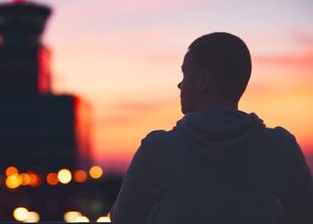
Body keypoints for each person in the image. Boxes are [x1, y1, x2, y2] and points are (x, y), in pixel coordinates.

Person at [110, 32, 313, 224]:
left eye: (184, 73)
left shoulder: (156, 149)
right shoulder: (280, 147)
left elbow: (124, 219)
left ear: (202, 80)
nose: (180, 85)